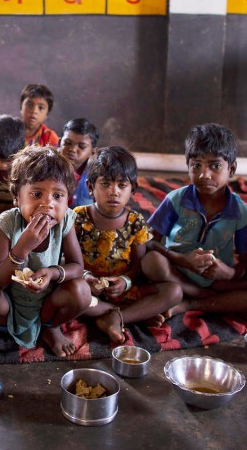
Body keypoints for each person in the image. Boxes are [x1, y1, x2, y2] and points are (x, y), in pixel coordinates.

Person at [0, 145, 91, 361]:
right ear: (16, 198)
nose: (48, 203)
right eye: (37, 194)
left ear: (67, 199)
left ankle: (51, 328)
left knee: (81, 291)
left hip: (46, 304)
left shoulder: (65, 220)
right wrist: (22, 248)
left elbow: (77, 267)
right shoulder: (6, 224)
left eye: (58, 195)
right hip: (6, 305)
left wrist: (52, 273)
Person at [144, 124, 247, 317]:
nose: (204, 175)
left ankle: (189, 303)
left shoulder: (240, 211)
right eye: (196, 165)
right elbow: (148, 241)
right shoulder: (176, 199)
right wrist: (182, 260)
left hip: (216, 280)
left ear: (231, 169)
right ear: (188, 166)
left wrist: (229, 274)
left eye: (215, 166)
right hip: (176, 272)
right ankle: (203, 298)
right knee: (152, 262)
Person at [75, 147, 181, 343]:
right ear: (90, 187)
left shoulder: (135, 222)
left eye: (122, 185)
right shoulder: (78, 218)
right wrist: (87, 278)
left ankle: (116, 316)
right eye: (105, 184)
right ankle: (131, 315)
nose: (113, 192)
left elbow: (138, 266)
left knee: (174, 291)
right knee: (69, 295)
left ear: (133, 189)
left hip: (123, 291)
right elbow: (67, 259)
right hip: (87, 290)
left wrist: (125, 281)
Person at [60, 118, 98, 208]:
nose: (72, 149)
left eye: (82, 146)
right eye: (68, 143)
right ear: (59, 143)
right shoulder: (45, 169)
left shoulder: (96, 176)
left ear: (92, 152)